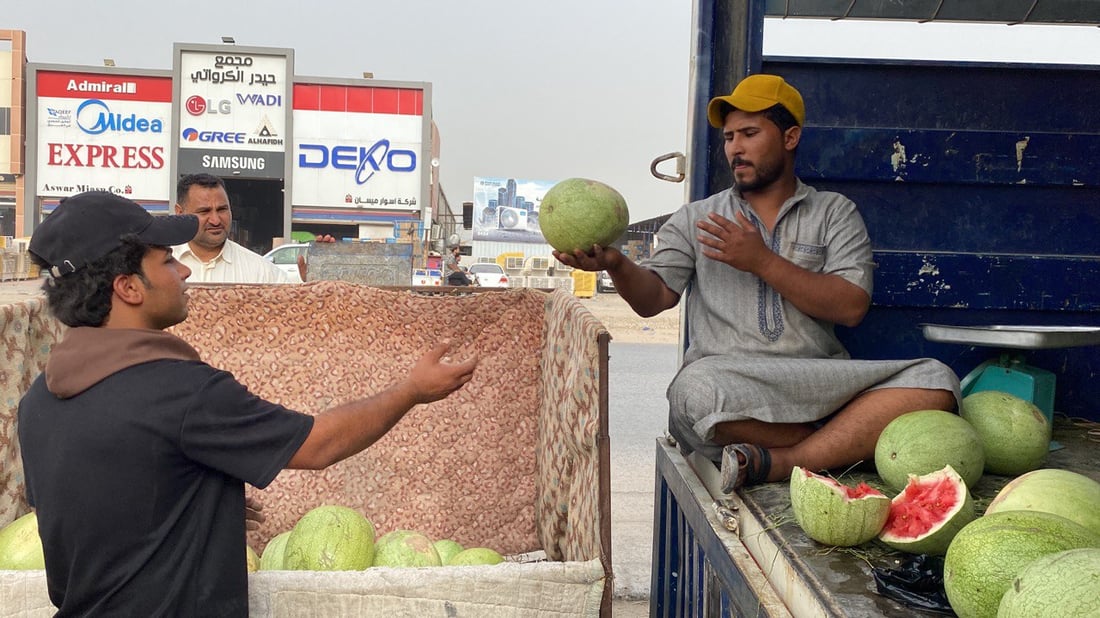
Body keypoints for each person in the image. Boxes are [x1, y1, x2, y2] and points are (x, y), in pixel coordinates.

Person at [18, 191, 477, 615]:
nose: (185, 271)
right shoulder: (179, 390)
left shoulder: (38, 401)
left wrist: (197, 507)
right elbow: (318, 444)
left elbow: (96, 514)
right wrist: (411, 391)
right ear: (129, 287)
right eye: (166, 262)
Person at [554, 74, 959, 493]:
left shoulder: (834, 212)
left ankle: (788, 460)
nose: (735, 148)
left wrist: (762, 261)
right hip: (730, 383)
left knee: (936, 381)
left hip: (818, 381)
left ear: (790, 138)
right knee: (692, 393)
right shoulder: (698, 218)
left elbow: (851, 306)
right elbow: (653, 299)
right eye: (729, 137)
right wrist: (616, 264)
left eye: (749, 133)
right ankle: (839, 440)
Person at [172, 173, 301, 283]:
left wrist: (313, 287)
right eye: (204, 211)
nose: (216, 220)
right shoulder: (157, 267)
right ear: (179, 213)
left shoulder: (263, 273)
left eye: (222, 209)